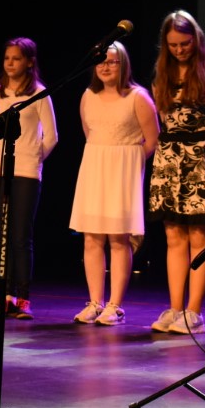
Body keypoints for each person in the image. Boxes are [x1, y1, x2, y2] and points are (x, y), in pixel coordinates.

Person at [146, 10, 205, 335]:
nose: (180, 50)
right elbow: (162, 118)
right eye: (173, 45)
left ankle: (194, 312)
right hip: (171, 160)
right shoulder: (161, 75)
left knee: (199, 235)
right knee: (173, 236)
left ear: (196, 40)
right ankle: (175, 307)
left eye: (185, 44)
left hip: (203, 159)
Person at [68, 42, 159, 325]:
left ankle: (114, 305)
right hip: (94, 168)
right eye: (101, 61)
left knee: (119, 239)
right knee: (92, 237)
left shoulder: (137, 97)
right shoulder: (88, 96)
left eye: (112, 61)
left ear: (124, 65)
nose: (105, 66)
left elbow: (152, 139)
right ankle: (95, 302)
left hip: (123, 172)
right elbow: (90, 134)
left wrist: (128, 163)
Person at [0, 37, 58, 320]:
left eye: (16, 58)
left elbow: (51, 136)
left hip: (26, 173)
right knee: (2, 235)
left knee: (20, 236)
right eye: (7, 58)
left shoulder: (39, 93)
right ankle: (6, 296)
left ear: (29, 62)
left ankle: (23, 297)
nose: (10, 63)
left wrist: (34, 159)